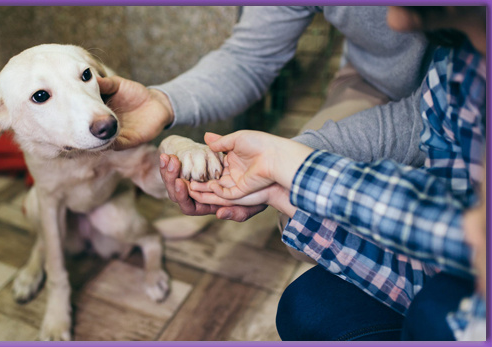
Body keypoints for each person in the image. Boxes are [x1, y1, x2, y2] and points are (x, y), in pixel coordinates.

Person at [187, 6, 486, 341]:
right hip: (382, 86)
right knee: (306, 305)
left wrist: (297, 167)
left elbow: (467, 232)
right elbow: (447, 240)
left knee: (435, 311)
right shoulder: (456, 66)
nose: (382, 18)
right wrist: (280, 188)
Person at [98, 6, 432, 223]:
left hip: (468, 103)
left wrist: (288, 159)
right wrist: (163, 101)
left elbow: (441, 112)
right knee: (302, 211)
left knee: (299, 188)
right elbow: (249, 57)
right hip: (376, 75)